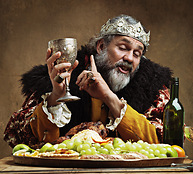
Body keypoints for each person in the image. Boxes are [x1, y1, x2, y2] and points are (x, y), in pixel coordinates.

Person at [4, 14, 172, 149]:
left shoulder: (153, 83)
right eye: (123, 48)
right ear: (101, 47)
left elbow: (165, 142)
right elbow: (18, 137)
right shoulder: (64, 72)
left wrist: (109, 97)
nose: (129, 58)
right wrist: (55, 97)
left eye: (137, 53)